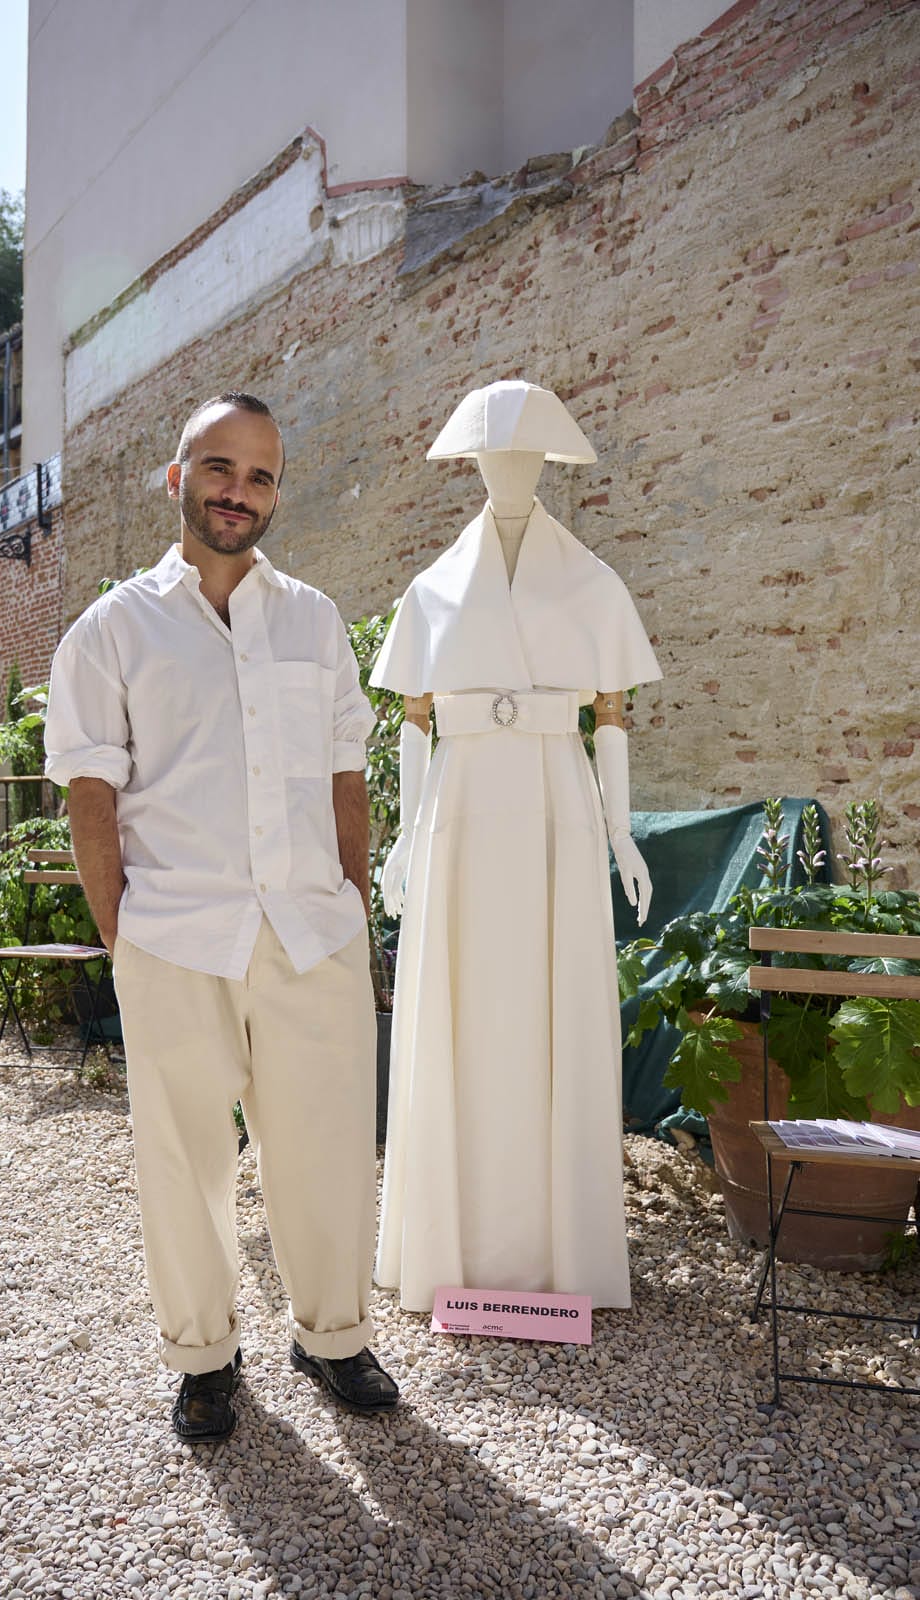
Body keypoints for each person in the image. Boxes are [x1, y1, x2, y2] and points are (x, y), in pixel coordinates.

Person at [44, 392, 399, 1442]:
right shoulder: (112, 630)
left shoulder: (314, 619)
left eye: (259, 475)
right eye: (218, 467)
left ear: (276, 491)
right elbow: (89, 799)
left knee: (327, 1149)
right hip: (174, 936)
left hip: (309, 933)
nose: (237, 491)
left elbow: (345, 777)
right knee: (183, 1159)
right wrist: (125, 941)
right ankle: (202, 1356)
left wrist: (352, 909)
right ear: (176, 477)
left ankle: (330, 1336)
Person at [371, 380, 661, 1314]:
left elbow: (611, 715)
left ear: (547, 468)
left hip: (553, 806)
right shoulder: (432, 590)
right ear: (472, 468)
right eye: (496, 459)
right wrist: (407, 839)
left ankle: (557, 1258)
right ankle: (450, 1249)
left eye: (527, 459)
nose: (510, 472)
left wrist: (621, 832)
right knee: (460, 1008)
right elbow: (414, 724)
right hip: (459, 813)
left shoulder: (592, 582)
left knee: (551, 1005)